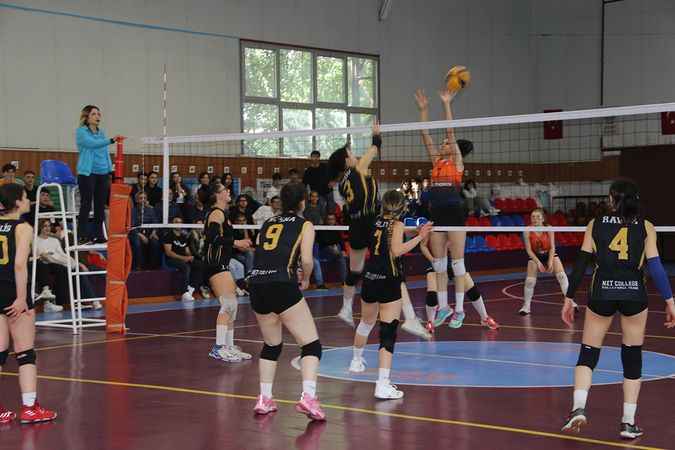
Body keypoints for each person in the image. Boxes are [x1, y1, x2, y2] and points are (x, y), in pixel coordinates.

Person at [560, 179, 675, 440]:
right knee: (632, 357)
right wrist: (670, 300)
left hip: (602, 292)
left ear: (612, 199)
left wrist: (569, 297)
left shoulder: (595, 224)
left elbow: (580, 264)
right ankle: (628, 422)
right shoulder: (646, 226)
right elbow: (656, 267)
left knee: (588, 353)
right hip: (634, 293)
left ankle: (578, 407)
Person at [248, 182, 325, 421]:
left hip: (257, 285)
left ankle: (264, 399)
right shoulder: (305, 224)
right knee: (311, 345)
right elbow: (307, 260)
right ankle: (308, 397)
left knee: (272, 345)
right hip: (282, 284)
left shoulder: (267, 223)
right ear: (302, 202)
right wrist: (307, 278)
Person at [348, 190, 433, 399]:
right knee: (387, 333)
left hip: (370, 277)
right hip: (389, 280)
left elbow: (386, 240)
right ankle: (383, 384)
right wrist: (420, 237)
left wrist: (412, 232)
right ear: (402, 207)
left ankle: (356, 361)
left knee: (366, 323)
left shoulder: (374, 222)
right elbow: (395, 250)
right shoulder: (397, 225)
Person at [0, 183, 57, 424]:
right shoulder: (23, 227)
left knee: (0, 353)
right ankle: (30, 408)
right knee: (25, 353)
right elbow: (20, 264)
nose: (28, 201)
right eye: (25, 197)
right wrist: (22, 298)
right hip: (13, 290)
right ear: (17, 202)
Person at [414, 88, 470, 329]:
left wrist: (446, 103)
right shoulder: (436, 162)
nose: (445, 142)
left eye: (448, 142)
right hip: (436, 214)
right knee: (438, 264)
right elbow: (425, 134)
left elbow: (450, 131)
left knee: (457, 265)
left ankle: (460, 310)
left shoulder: (457, 163)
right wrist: (424, 110)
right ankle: (444, 307)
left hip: (454, 214)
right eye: (445, 142)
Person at [328, 122, 381, 326]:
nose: (354, 155)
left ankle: (346, 308)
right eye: (350, 153)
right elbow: (375, 148)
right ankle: (402, 312)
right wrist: (376, 134)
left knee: (355, 270)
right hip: (371, 222)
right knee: (386, 264)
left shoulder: (341, 185)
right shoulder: (359, 168)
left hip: (356, 225)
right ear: (346, 160)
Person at [203, 184, 252, 363]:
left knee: (232, 305)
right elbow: (212, 238)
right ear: (217, 195)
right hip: (215, 264)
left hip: (222, 263)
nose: (228, 191)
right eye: (225, 190)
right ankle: (218, 348)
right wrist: (237, 242)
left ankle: (229, 346)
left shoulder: (224, 214)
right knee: (228, 305)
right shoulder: (217, 213)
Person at [419, 238, 499, 331]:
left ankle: (485, 318)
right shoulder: (431, 231)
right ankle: (430, 322)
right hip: (436, 264)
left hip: (453, 263)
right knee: (431, 293)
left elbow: (456, 244)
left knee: (471, 289)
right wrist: (433, 260)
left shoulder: (453, 232)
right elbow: (423, 246)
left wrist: (449, 245)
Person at [76, 105, 124, 244]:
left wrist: (109, 169)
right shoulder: (81, 132)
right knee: (86, 203)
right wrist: (111, 140)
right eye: (94, 114)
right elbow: (92, 144)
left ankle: (98, 234)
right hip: (88, 173)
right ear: (86, 117)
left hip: (103, 173)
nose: (97, 116)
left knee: (100, 205)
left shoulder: (101, 132)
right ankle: (82, 235)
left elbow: (104, 152)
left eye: (98, 114)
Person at [519, 208, 575, 315]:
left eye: (537, 217)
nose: (535, 219)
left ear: (543, 218)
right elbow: (529, 250)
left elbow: (553, 247)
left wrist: (550, 261)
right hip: (535, 255)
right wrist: (538, 263)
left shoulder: (549, 228)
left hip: (549, 253)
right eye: (533, 217)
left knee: (562, 276)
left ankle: (570, 302)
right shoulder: (527, 230)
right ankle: (526, 306)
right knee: (530, 281)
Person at [162, 216, 203, 302]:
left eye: (180, 222)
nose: (178, 224)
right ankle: (184, 293)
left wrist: (190, 256)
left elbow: (187, 251)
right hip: (171, 260)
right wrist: (184, 258)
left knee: (200, 264)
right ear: (172, 224)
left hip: (182, 258)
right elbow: (168, 252)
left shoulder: (184, 236)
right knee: (185, 267)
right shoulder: (168, 235)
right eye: (176, 222)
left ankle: (191, 288)